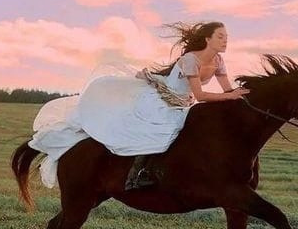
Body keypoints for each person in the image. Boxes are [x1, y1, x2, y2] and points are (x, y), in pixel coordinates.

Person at [28, 21, 248, 191]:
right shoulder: (191, 59)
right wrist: (230, 97)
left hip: (182, 103)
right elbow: (200, 95)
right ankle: (137, 174)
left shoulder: (218, 61)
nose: (225, 40)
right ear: (207, 39)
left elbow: (228, 89)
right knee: (161, 133)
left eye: (227, 37)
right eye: (220, 36)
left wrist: (245, 96)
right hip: (162, 101)